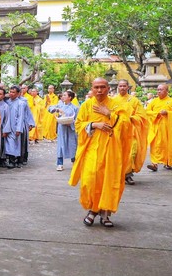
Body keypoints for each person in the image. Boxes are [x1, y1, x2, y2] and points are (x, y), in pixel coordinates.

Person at [69, 78, 130, 228]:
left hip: (112, 149)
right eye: (96, 87)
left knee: (108, 181)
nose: (99, 90)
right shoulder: (87, 105)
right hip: (92, 148)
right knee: (90, 180)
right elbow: (78, 124)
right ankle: (93, 209)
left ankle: (105, 214)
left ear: (108, 88)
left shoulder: (117, 104)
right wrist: (94, 124)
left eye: (103, 87)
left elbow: (126, 125)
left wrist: (109, 114)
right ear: (92, 88)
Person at [112, 80, 148, 185]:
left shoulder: (134, 100)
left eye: (124, 86)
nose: (122, 88)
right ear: (118, 87)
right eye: (120, 86)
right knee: (118, 153)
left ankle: (128, 175)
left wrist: (131, 118)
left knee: (131, 153)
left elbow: (142, 116)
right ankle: (118, 175)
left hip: (131, 131)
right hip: (117, 130)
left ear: (128, 87)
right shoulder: (113, 100)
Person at [146, 84, 172, 171]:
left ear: (166, 91)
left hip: (168, 129)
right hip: (156, 128)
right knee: (155, 146)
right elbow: (147, 112)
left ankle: (168, 162)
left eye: (161, 89)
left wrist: (168, 113)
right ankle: (154, 164)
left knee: (168, 145)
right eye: (158, 89)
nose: (159, 91)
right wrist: (156, 114)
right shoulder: (154, 101)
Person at [48, 90, 78, 171]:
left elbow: (78, 120)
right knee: (61, 146)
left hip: (71, 130)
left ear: (70, 97)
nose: (63, 97)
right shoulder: (60, 105)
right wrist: (57, 110)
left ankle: (74, 162)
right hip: (62, 129)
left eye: (65, 95)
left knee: (73, 146)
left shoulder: (75, 107)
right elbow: (50, 108)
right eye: (63, 95)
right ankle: (60, 163)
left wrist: (71, 123)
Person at [3, 86, 26, 169]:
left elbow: (21, 117)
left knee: (13, 143)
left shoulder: (20, 103)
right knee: (7, 143)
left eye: (13, 92)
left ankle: (13, 161)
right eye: (10, 91)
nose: (11, 94)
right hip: (6, 125)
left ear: (18, 94)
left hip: (15, 126)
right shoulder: (7, 102)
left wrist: (19, 129)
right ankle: (8, 160)